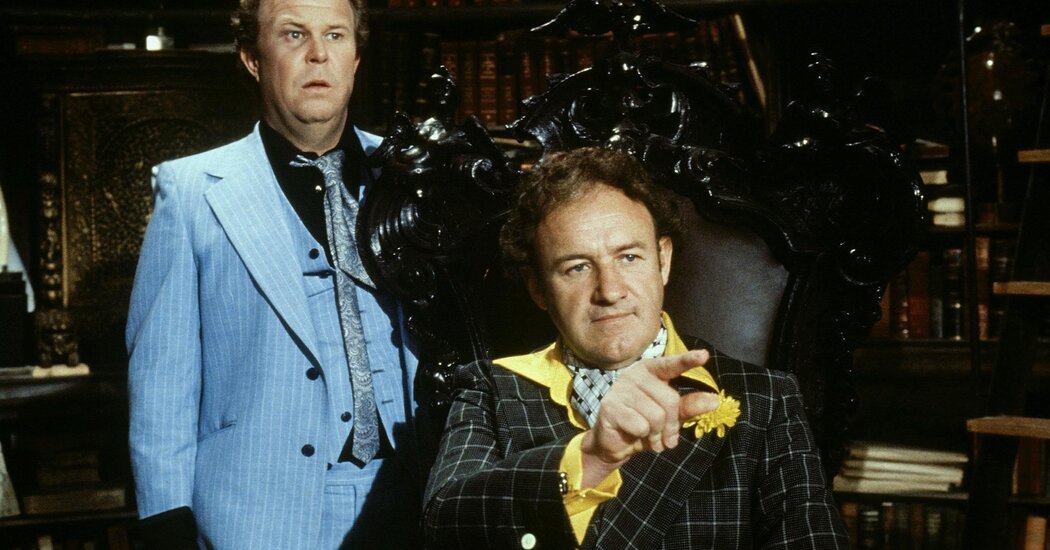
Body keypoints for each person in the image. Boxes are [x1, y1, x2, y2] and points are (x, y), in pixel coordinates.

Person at [423, 147, 848, 549]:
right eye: (577, 267)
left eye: (628, 258)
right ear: (538, 288)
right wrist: (592, 457)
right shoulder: (491, 389)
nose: (609, 291)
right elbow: (443, 527)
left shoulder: (766, 399)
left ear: (663, 261)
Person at [126, 0, 425, 547]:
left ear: (356, 58)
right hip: (256, 516)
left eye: (335, 35)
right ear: (252, 58)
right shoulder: (192, 192)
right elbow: (160, 383)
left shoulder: (412, 174)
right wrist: (166, 521)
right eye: (293, 35)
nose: (318, 55)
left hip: (414, 501)